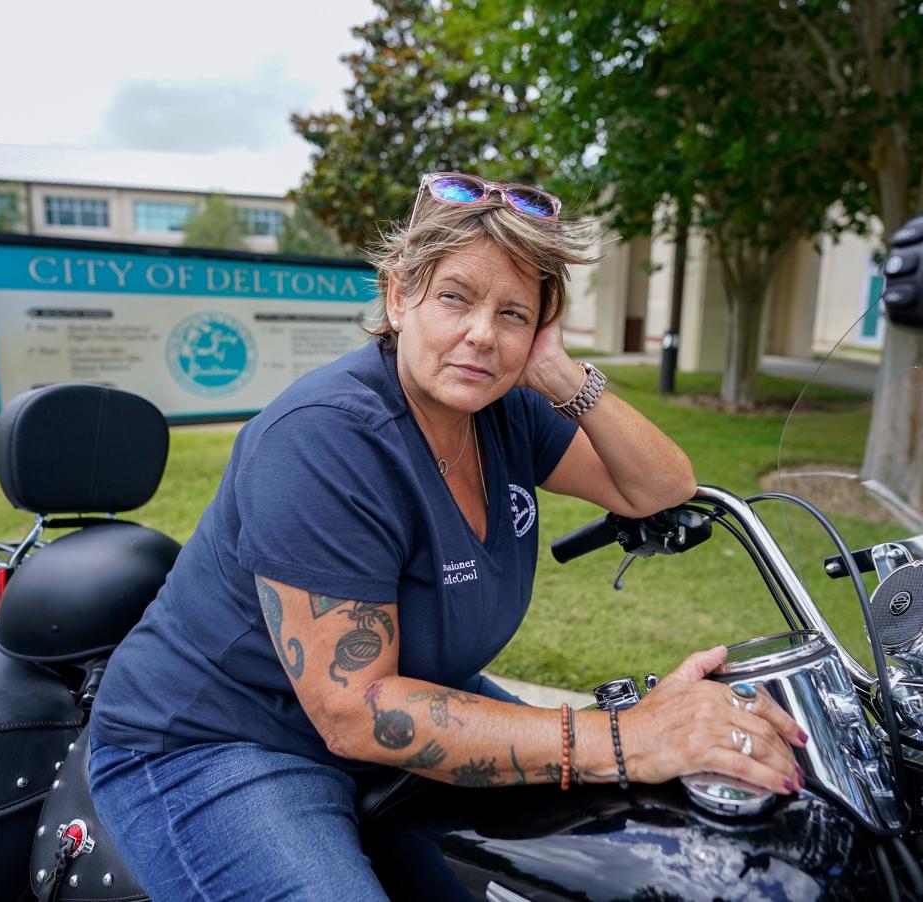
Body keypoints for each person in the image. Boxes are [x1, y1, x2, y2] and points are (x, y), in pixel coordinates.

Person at [88, 172, 807, 900]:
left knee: (614, 852)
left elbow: (660, 486)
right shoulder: (322, 441)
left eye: (514, 314)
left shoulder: (504, 409)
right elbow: (357, 711)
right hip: (221, 740)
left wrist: (559, 374)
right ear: (400, 295)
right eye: (456, 297)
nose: (482, 336)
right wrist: (626, 738)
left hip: (418, 695)